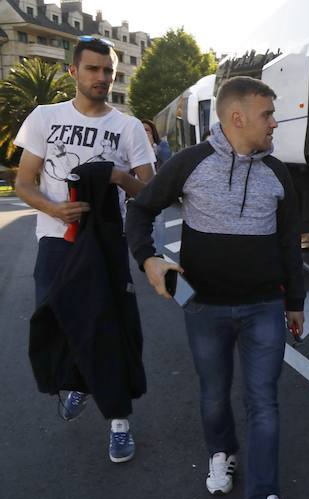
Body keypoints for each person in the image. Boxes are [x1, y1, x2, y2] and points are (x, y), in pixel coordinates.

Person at [125, 76, 305, 499]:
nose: (274, 123)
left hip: (264, 306)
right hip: (202, 304)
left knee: (264, 402)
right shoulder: (190, 163)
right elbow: (141, 209)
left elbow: (288, 245)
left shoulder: (278, 173)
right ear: (236, 117)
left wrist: (296, 302)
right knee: (213, 395)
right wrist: (148, 259)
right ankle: (220, 453)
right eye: (267, 114)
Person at [14, 36, 155, 463]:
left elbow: (149, 191)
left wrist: (116, 176)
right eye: (93, 69)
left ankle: (118, 422)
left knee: (110, 329)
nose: (102, 78)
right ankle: (76, 383)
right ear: (73, 72)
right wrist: (56, 208)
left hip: (106, 244)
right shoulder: (44, 117)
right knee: (58, 322)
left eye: (108, 71)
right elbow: (24, 182)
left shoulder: (128, 127)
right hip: (57, 243)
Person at [141, 119, 169, 251]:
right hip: (138, 191)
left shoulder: (161, 146)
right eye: (141, 130)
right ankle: (146, 253)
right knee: (140, 223)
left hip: (156, 191)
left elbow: (167, 164)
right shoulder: (134, 148)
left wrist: (152, 147)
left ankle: (159, 252)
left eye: (147, 130)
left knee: (158, 222)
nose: (143, 133)